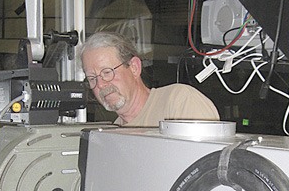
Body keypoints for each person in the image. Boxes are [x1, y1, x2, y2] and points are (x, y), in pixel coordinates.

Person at [79, 32, 219, 126]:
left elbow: (206, 161)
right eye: (92, 78)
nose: (100, 84)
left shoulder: (179, 102)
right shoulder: (114, 134)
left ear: (134, 67)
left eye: (107, 72)